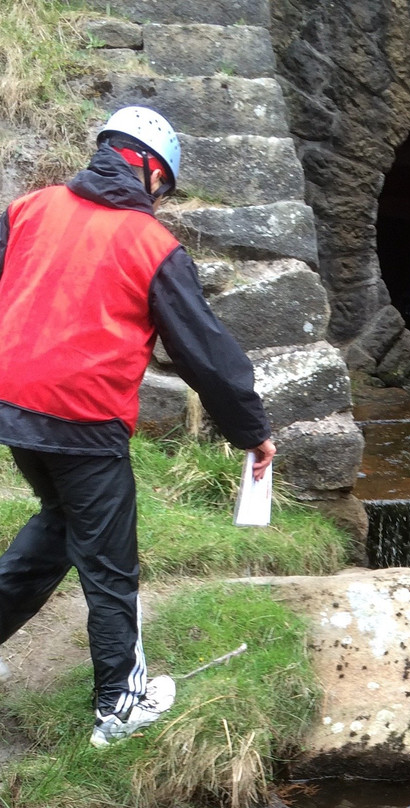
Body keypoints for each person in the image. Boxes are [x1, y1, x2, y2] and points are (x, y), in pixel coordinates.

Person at [0, 106, 276, 747]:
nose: (162, 198)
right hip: (82, 419)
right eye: (164, 185)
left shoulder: (28, 209)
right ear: (150, 169)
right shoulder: (151, 245)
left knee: (59, 529)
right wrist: (252, 431)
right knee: (109, 565)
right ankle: (120, 706)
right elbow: (204, 351)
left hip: (14, 409)